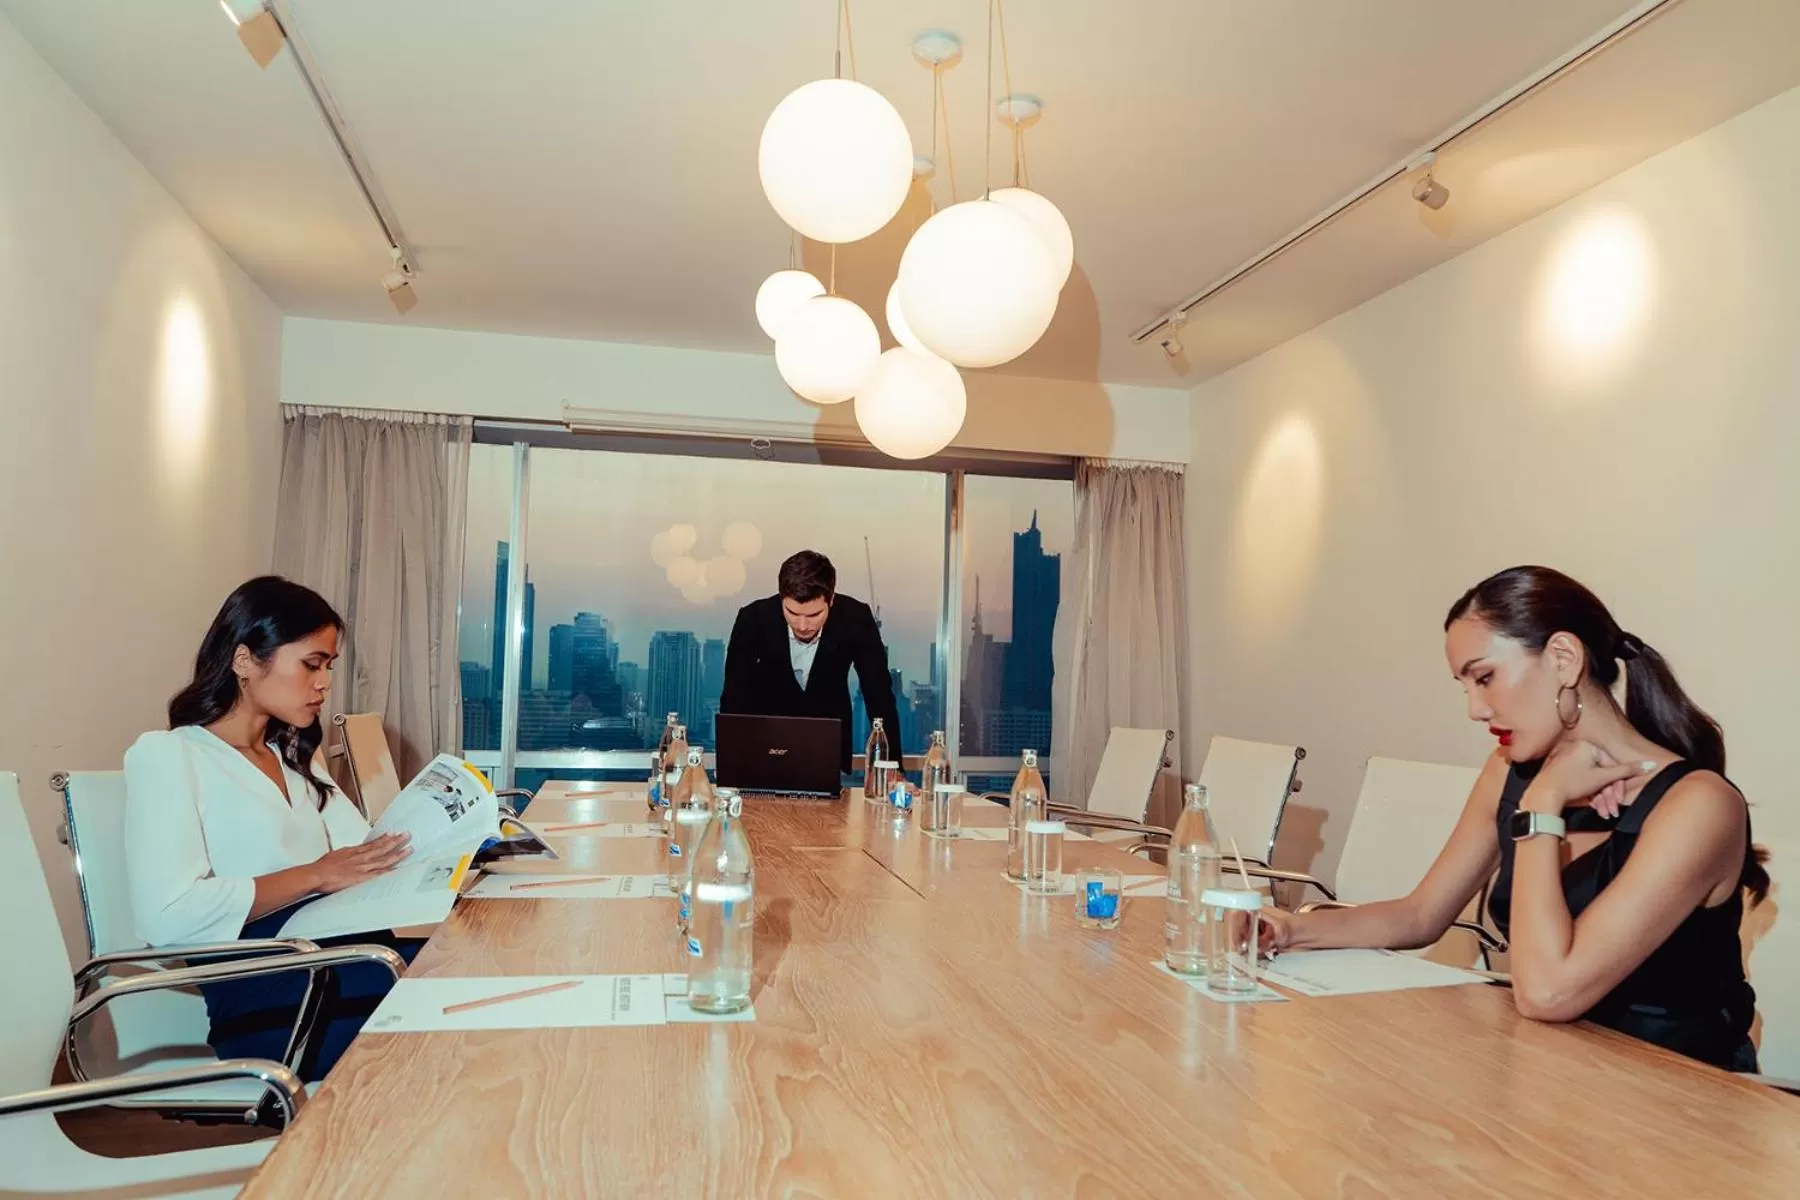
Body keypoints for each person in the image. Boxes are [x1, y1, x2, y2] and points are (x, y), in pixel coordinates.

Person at [1259, 565, 1768, 1069]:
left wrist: (1543, 805)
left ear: (1564, 660)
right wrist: (1287, 931)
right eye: (1466, 687)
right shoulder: (1509, 771)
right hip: (1553, 1075)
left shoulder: (1698, 804)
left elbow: (1548, 994)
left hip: (1679, 1105)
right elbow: (1420, 915)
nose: (1475, 710)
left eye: (1485, 678)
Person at [124, 576, 417, 1082]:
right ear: (244, 660)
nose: (324, 682)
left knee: (462, 970)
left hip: (340, 956)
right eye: (311, 664)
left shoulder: (294, 756)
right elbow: (167, 916)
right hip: (271, 990)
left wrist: (453, 847)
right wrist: (315, 875)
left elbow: (364, 854)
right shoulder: (171, 756)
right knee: (445, 1015)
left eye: (328, 666)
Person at [720, 549, 905, 773]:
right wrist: (730, 765)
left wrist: (894, 770)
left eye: (814, 615)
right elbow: (733, 696)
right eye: (792, 613)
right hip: (765, 748)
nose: (802, 625)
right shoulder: (753, 619)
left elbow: (879, 696)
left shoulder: (856, 618)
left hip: (829, 753)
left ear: (831, 599)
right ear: (781, 597)